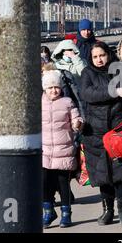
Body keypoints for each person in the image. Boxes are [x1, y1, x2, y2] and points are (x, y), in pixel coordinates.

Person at [80, 41, 122, 228]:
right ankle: (108, 210)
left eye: (102, 55)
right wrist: (115, 91)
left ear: (108, 54)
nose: (99, 59)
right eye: (95, 57)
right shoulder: (87, 73)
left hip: (119, 127)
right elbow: (88, 94)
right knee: (102, 173)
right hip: (95, 132)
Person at [41, 70, 83, 228]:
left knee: (63, 183)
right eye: (50, 87)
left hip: (63, 150)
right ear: (45, 88)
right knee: (44, 183)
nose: (54, 90)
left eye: (56, 87)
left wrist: (77, 123)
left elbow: (76, 117)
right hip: (44, 152)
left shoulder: (67, 102)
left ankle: (66, 213)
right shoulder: (40, 103)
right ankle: (48, 211)